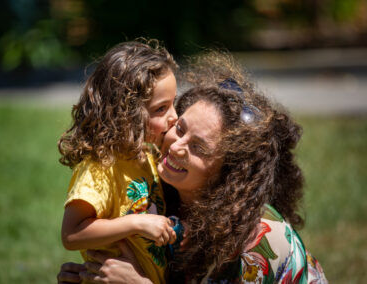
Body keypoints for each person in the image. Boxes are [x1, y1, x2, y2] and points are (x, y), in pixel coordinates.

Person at [57, 52, 328, 283]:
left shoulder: (261, 242)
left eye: (198, 148)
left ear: (228, 172)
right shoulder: (159, 192)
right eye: (180, 128)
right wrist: (90, 274)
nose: (175, 146)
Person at [58, 39, 180, 284]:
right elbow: (72, 235)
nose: (174, 116)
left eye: (173, 104)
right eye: (161, 109)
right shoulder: (99, 169)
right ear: (125, 114)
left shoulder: (146, 156)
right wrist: (135, 223)